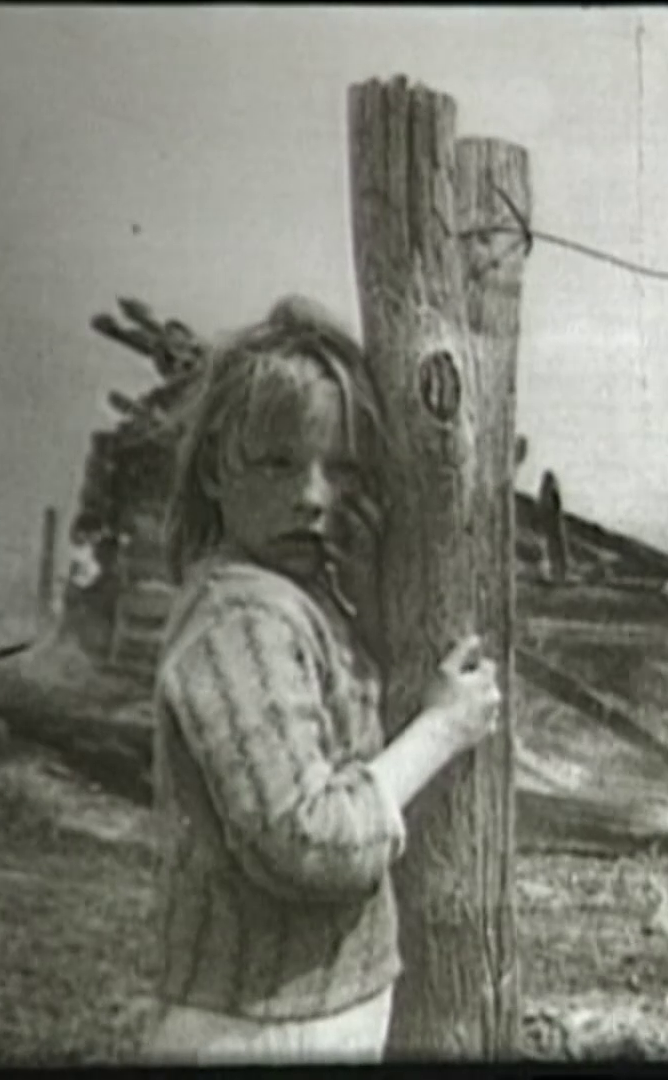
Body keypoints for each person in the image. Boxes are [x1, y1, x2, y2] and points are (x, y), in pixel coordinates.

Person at [141, 296, 502, 1065]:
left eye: (341, 470)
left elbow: (339, 725)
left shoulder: (292, 605)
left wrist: (373, 603)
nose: (312, 496)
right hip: (255, 1031)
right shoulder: (238, 622)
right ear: (213, 470)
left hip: (300, 1018)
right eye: (277, 463)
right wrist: (440, 731)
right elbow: (306, 839)